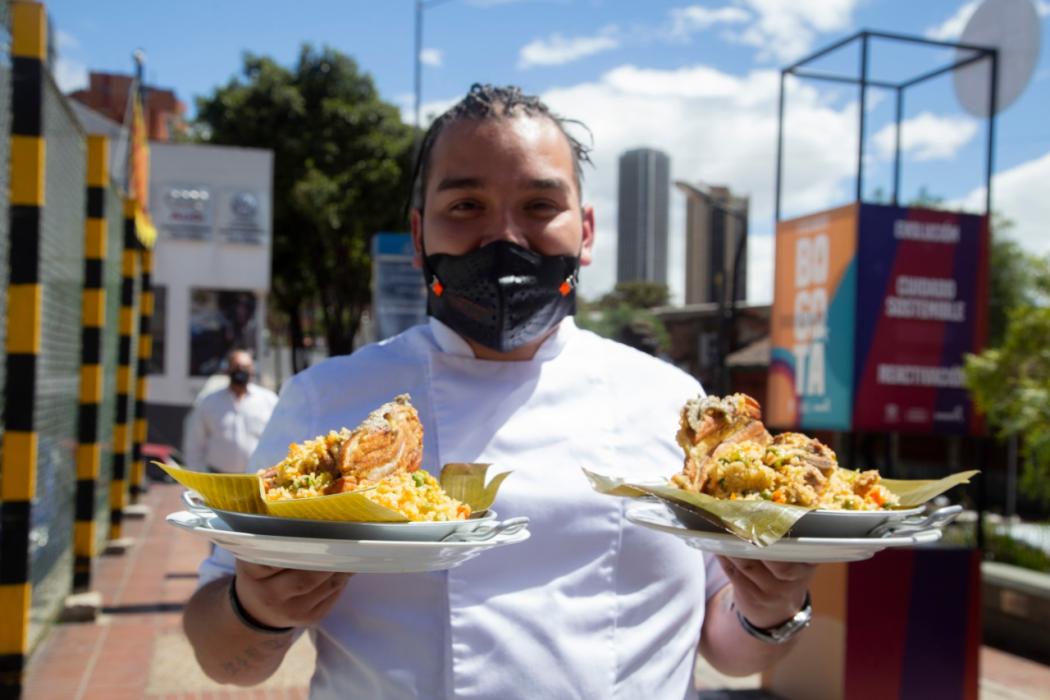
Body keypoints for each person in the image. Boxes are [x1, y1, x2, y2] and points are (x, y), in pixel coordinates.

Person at [182, 84, 815, 698]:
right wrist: (256, 608)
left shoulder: (672, 404)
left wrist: (775, 605)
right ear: (418, 235)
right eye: (466, 206)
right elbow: (225, 659)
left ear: (586, 231)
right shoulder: (328, 400)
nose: (505, 238)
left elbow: (729, 649)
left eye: (540, 206)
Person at [183, 349, 278, 474]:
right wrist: (195, 475)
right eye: (236, 366)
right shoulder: (208, 402)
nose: (240, 371)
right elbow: (194, 443)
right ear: (228, 370)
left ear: (252, 370)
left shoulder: (269, 401)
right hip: (218, 477)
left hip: (256, 477)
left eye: (245, 367)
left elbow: (278, 439)